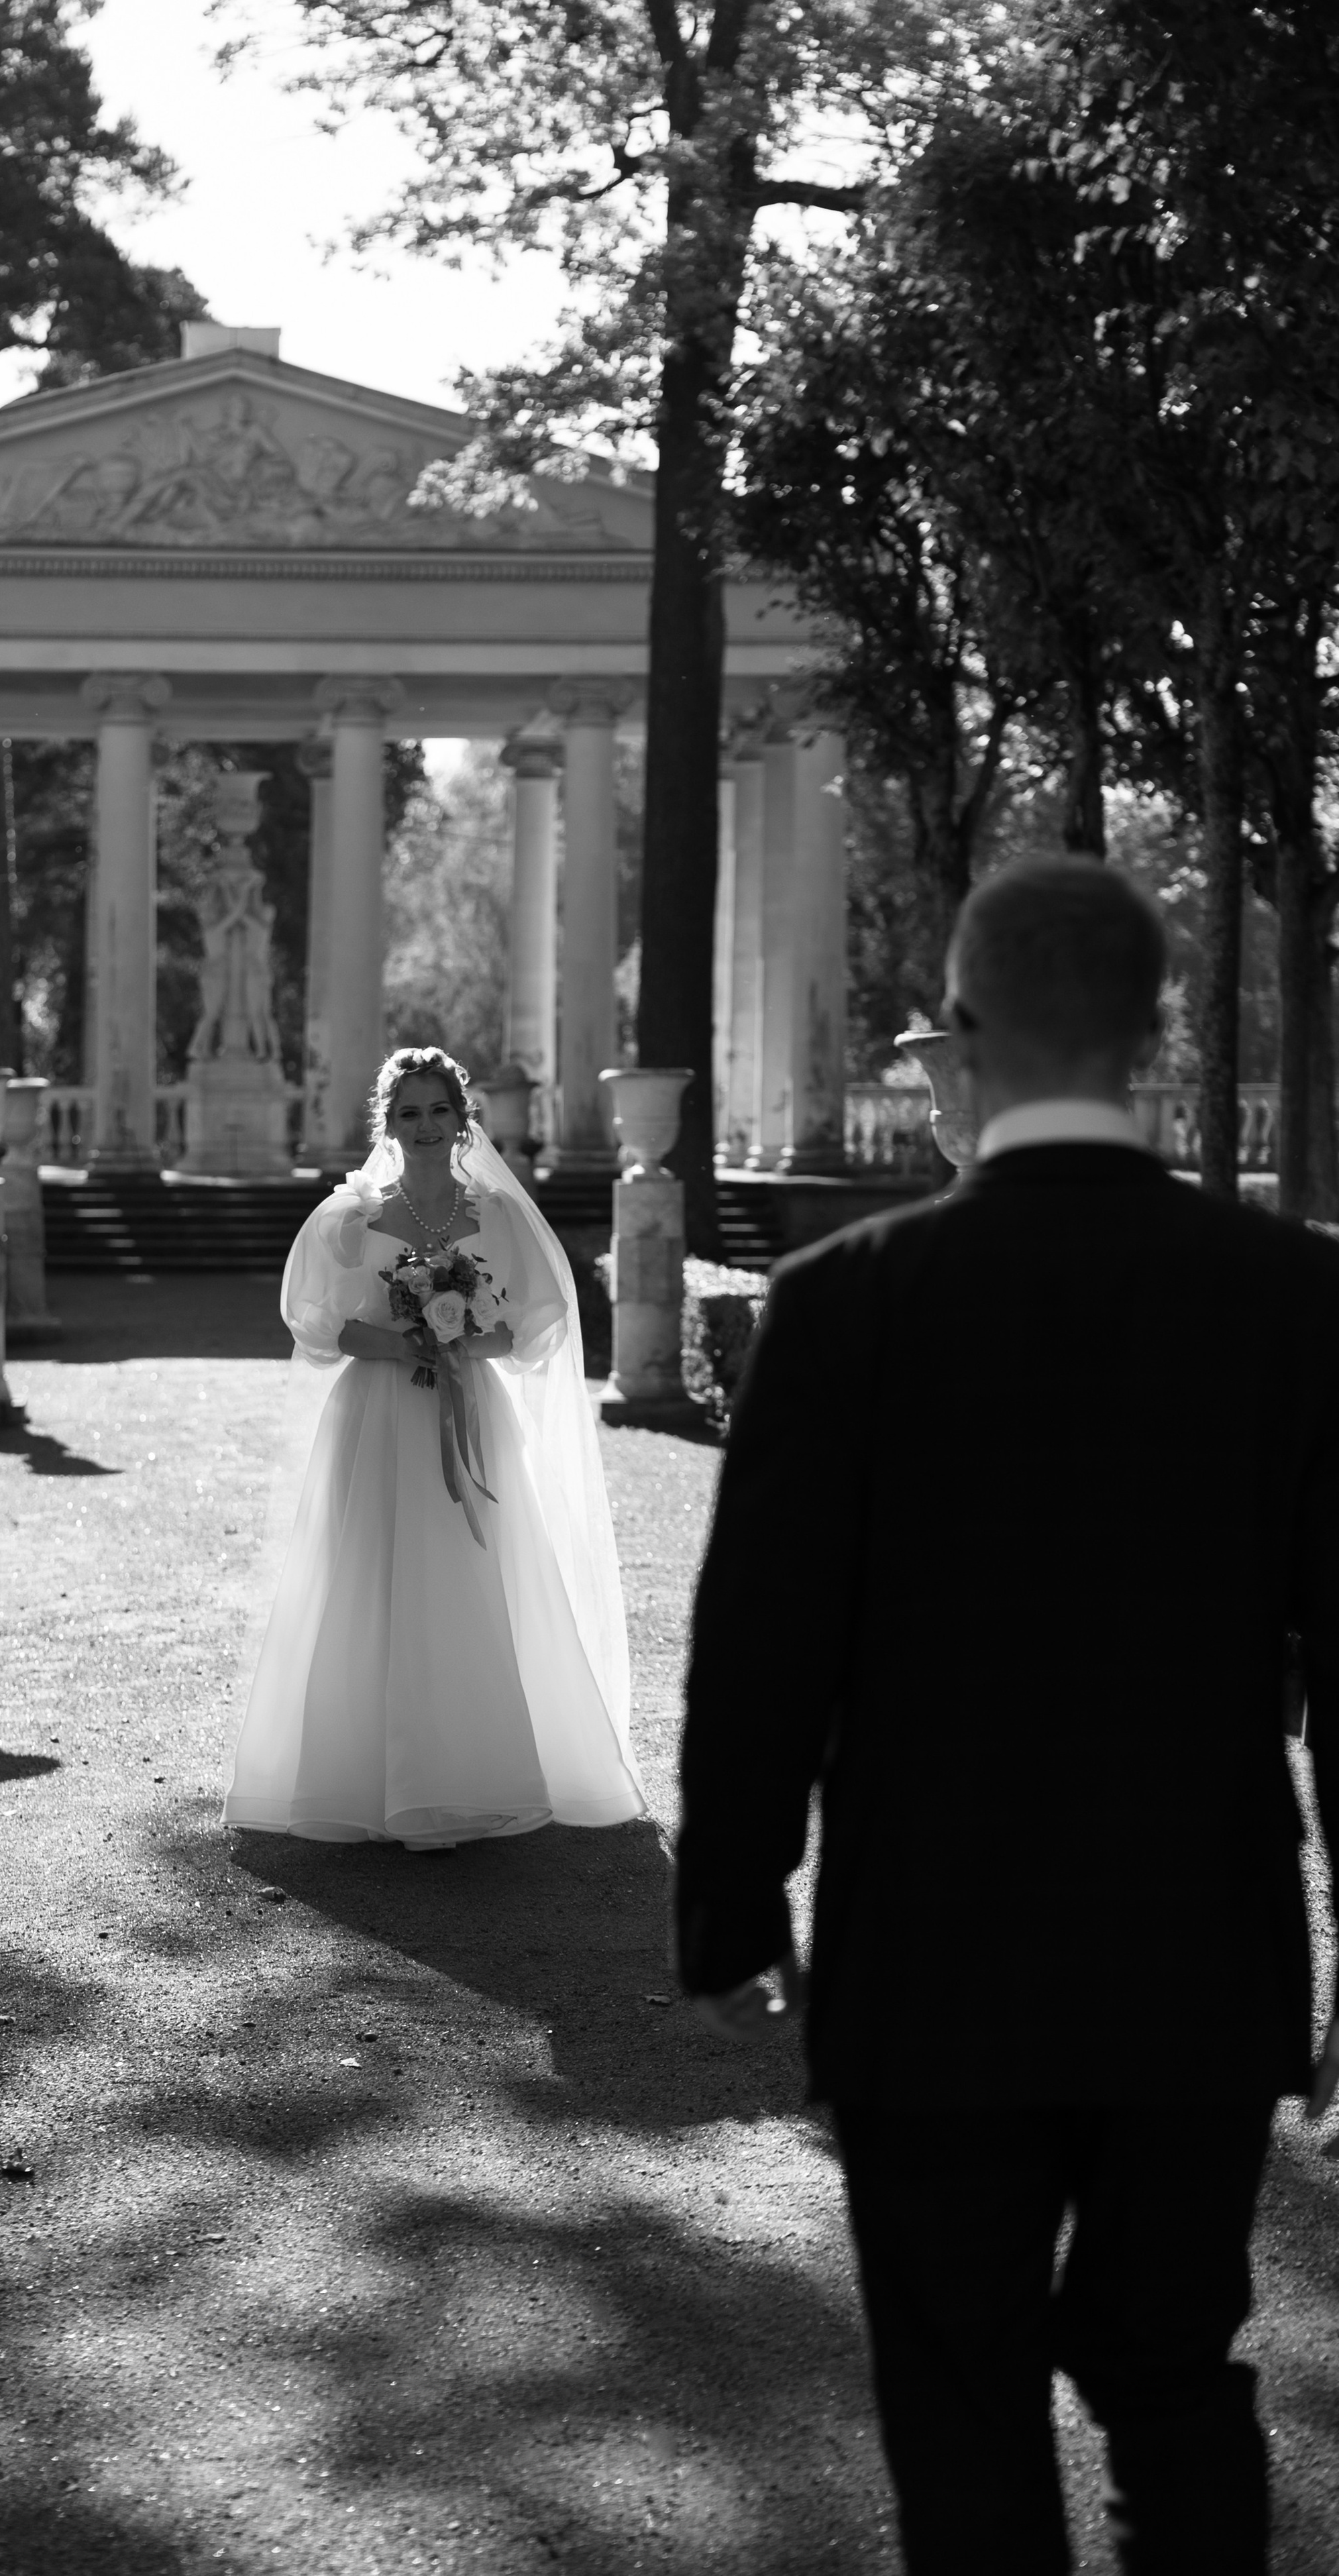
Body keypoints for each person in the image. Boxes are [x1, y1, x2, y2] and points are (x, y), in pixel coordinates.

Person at [675, 859, 1339, 2575]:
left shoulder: (846, 1303)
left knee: (959, 2404)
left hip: (929, 1953)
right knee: (1170, 2370)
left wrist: (736, 1902)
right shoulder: (1297, 1300)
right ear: (1153, 1033)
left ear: (957, 1045)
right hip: (1197, 1946)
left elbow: (762, 1638)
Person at [225, 1044, 645, 1848]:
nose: (425, 1126)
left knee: (466, 1569)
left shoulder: (498, 1216)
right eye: (408, 1113)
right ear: (387, 1125)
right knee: (369, 1569)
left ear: (463, 1119)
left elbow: (531, 1326)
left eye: (439, 1110)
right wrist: (397, 1344)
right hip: (377, 1412)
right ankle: (364, 1775)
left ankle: (469, 1771)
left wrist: (458, 1345)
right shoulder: (352, 1217)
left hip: (468, 1409)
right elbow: (315, 1321)